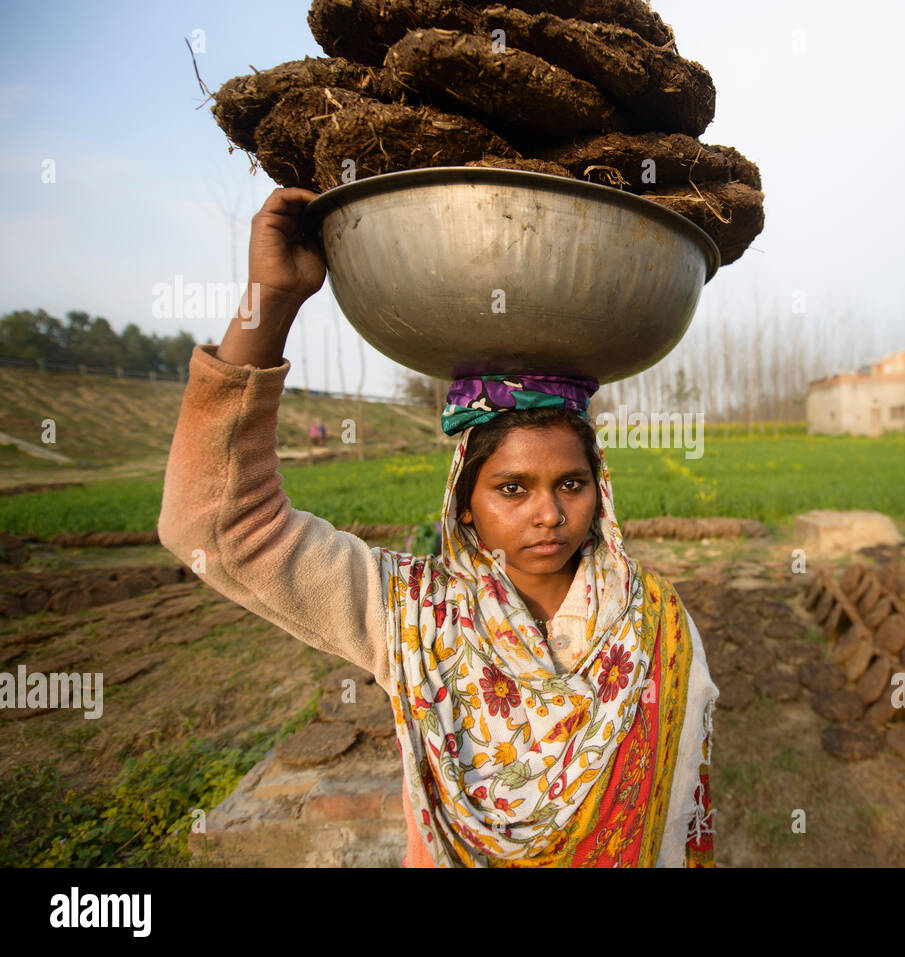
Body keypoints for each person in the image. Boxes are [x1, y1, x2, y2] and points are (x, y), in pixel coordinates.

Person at [157, 187, 719, 867]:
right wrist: (269, 300)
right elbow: (217, 524)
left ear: (598, 489)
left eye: (570, 483)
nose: (549, 512)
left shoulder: (653, 622)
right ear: (465, 505)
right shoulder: (412, 614)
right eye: (513, 488)